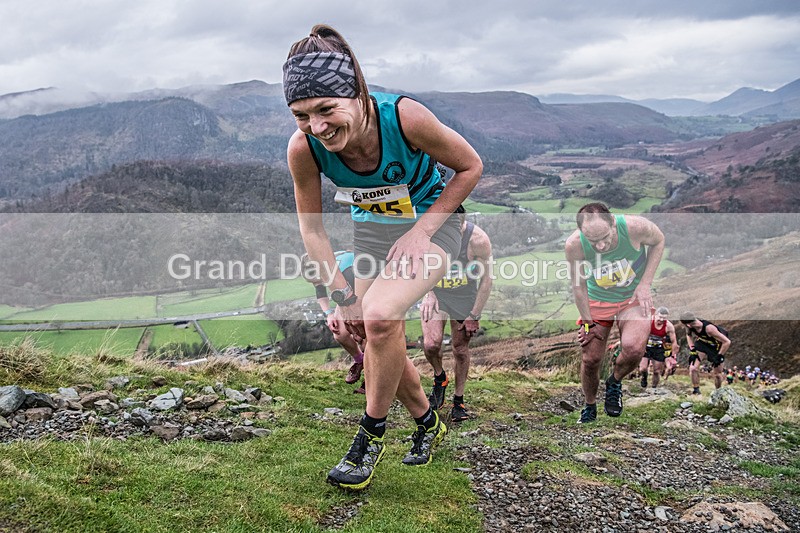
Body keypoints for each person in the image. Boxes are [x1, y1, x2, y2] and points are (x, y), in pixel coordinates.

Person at [283, 24, 482, 491]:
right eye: (301, 115)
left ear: (357, 93)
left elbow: (470, 166)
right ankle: (426, 420)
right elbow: (311, 230)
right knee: (366, 327)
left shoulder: (405, 118)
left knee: (379, 317)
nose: (317, 127)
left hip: (436, 226)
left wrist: (422, 230)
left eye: (326, 109)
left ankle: (370, 435)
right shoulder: (303, 149)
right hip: (372, 236)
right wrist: (339, 295)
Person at [565, 202, 665, 423]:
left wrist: (645, 284)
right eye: (593, 241)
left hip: (633, 298)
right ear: (582, 232)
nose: (600, 246)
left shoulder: (635, 228)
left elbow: (658, 241)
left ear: (612, 223)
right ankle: (590, 406)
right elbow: (578, 287)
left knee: (634, 349)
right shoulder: (574, 245)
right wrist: (588, 322)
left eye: (605, 238)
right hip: (598, 300)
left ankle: (615, 381)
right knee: (591, 359)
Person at [421, 214, 492, 422]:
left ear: (462, 224)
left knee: (460, 350)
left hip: (464, 296)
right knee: (431, 345)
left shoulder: (478, 240)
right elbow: (421, 265)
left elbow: (487, 280)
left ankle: (458, 401)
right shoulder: (431, 233)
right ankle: (439, 377)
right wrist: (429, 293)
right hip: (437, 293)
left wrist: (474, 315)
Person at [302, 250, 366, 393]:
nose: (320, 285)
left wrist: (356, 325)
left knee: (365, 337)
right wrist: (329, 314)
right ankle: (360, 360)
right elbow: (320, 290)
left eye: (321, 281)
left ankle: (372, 379)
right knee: (340, 333)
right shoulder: (321, 268)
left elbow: (360, 297)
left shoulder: (345, 270)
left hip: (364, 293)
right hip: (346, 296)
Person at [679, 312, 731, 394]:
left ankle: (718, 392)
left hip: (716, 346)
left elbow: (727, 342)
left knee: (717, 374)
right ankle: (696, 391)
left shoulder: (709, 329)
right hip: (702, 343)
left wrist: (719, 356)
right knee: (693, 368)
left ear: (689, 324)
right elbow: (688, 335)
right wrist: (692, 348)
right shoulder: (689, 326)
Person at [637, 307, 678, 389]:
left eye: (664, 318)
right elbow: (639, 334)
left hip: (658, 348)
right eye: (660, 317)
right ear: (655, 315)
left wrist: (673, 356)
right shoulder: (648, 322)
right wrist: (641, 345)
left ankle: (654, 388)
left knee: (656, 371)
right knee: (643, 368)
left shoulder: (669, 326)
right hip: (646, 346)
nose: (661, 320)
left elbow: (674, 342)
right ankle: (644, 378)